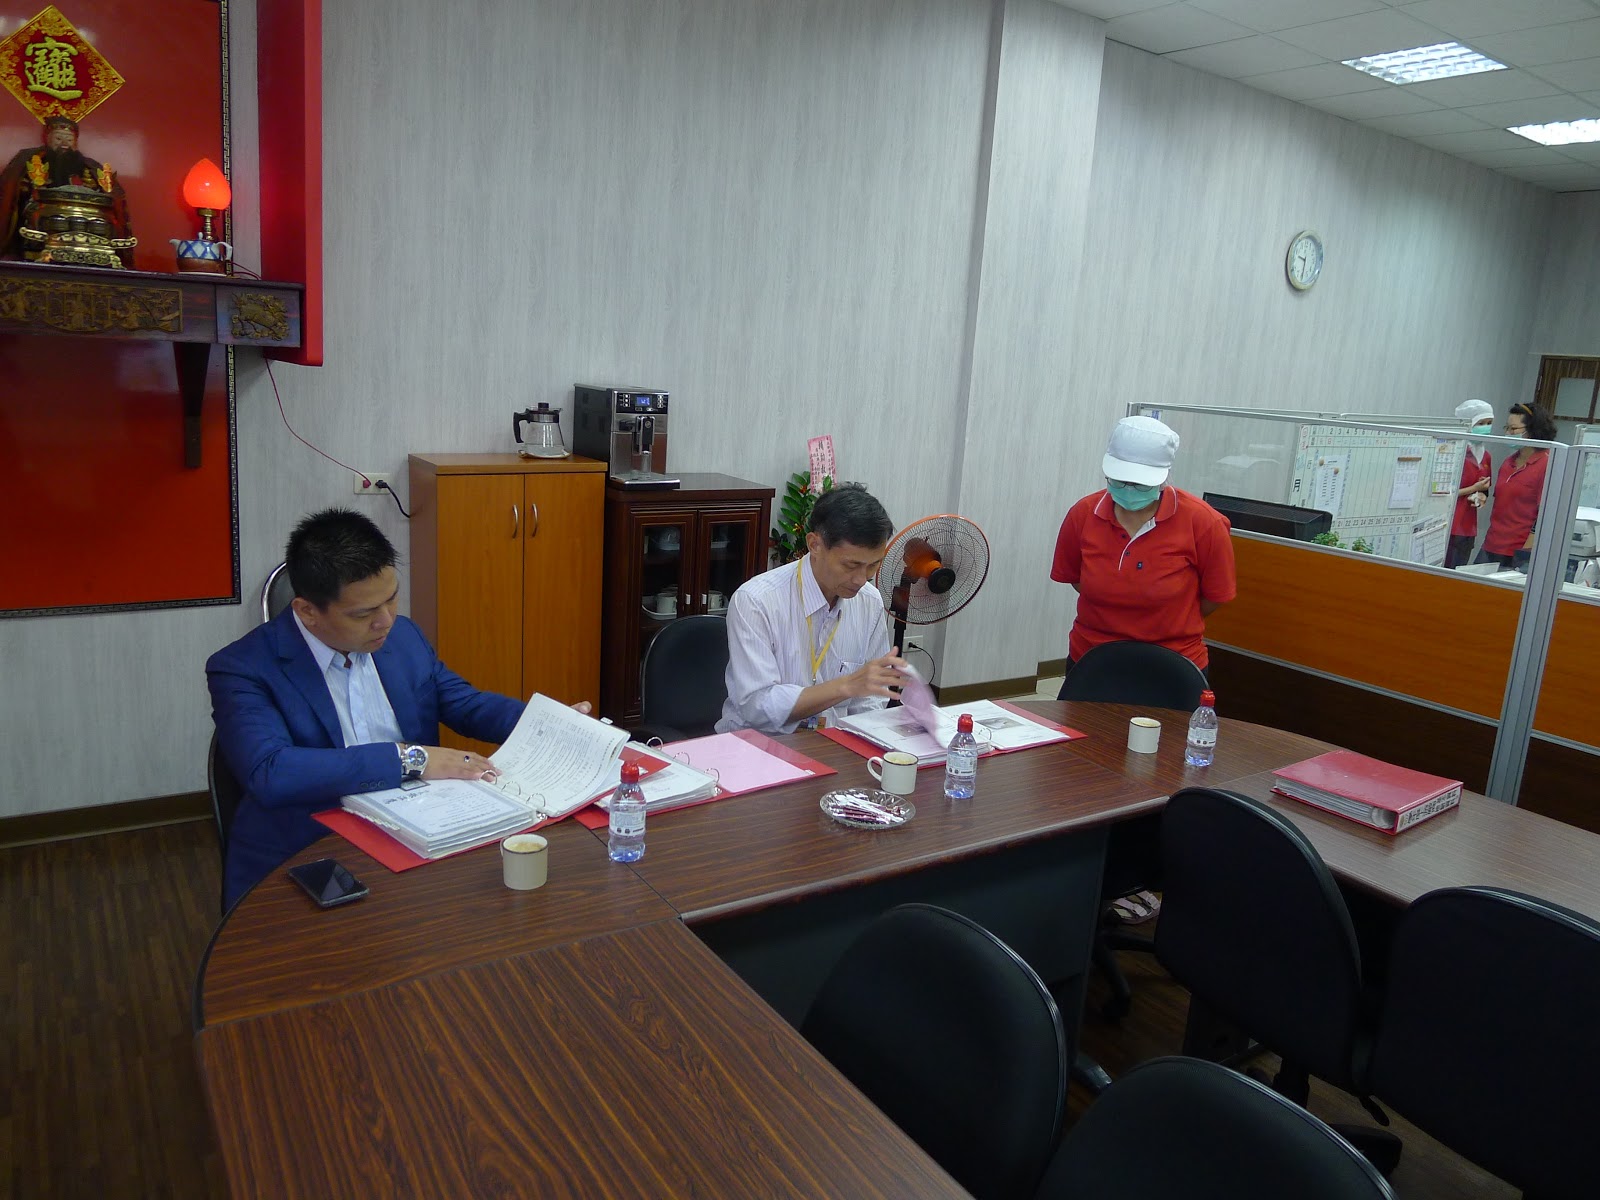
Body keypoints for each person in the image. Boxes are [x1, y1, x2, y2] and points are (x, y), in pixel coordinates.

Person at [208, 509, 565, 908]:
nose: (386, 621)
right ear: (307, 611)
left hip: (417, 830)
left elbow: (464, 703)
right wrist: (409, 760)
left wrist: (551, 725)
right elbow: (270, 770)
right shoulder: (242, 668)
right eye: (363, 614)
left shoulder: (403, 636)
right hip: (307, 850)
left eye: (391, 598)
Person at [1051, 415, 1237, 681]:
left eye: (1139, 484)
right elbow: (1076, 578)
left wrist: (1167, 618)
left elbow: (1215, 596)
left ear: (1163, 478)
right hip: (1092, 659)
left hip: (1173, 665)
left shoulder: (1204, 523)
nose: (1128, 490)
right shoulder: (1083, 514)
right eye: (1119, 481)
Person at [717, 483, 906, 735]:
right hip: (758, 743)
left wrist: (861, 740)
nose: (862, 579)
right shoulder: (756, 601)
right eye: (851, 565)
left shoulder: (869, 601)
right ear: (815, 545)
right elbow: (757, 707)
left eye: (873, 565)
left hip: (835, 742)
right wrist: (846, 686)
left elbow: (870, 700)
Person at [0, 115, 134, 265]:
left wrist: (94, 188)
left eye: (69, 140)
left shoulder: (88, 166)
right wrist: (26, 189)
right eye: (58, 139)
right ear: (48, 138)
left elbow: (112, 195)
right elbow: (11, 191)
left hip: (84, 220)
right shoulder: (30, 160)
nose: (64, 144)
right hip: (45, 217)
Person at [1476, 402, 1556, 571]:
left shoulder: (1547, 464)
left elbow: (1544, 515)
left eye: (1513, 429)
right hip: (1491, 544)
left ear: (1533, 430)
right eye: (1507, 428)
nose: (1508, 433)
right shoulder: (1508, 462)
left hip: (1519, 552)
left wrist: (1525, 555)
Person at [1444, 399, 1494, 569]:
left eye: (1489, 423)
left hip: (1468, 528)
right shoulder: (1453, 450)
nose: (1486, 427)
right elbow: (1442, 492)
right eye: (1481, 423)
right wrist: (1473, 489)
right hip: (1448, 525)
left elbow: (1485, 490)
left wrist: (1481, 496)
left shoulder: (1486, 456)